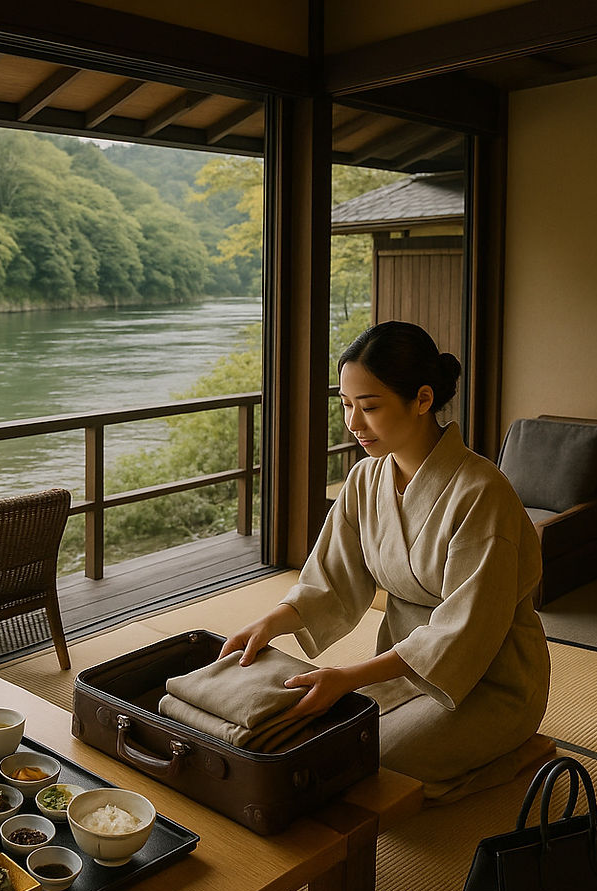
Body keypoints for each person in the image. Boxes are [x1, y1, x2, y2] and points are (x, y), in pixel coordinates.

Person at [219, 320, 550, 797]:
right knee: (314, 738)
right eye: (347, 406)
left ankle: (516, 751)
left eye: (369, 407)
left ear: (422, 399)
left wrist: (347, 678)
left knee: (373, 759)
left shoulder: (483, 494)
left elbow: (466, 633)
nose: (354, 424)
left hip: (488, 678)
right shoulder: (363, 481)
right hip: (397, 664)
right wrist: (269, 623)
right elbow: (328, 580)